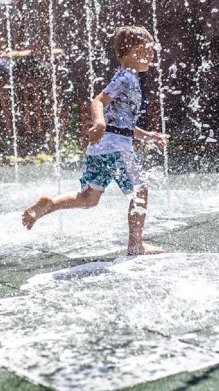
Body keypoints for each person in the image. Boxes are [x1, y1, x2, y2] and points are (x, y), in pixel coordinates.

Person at [22, 26, 167, 255]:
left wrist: (146, 136)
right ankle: (136, 244)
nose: (152, 56)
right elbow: (98, 100)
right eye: (148, 50)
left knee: (88, 198)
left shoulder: (128, 79)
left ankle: (50, 205)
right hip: (116, 148)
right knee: (140, 191)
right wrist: (98, 123)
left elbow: (121, 124)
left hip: (100, 148)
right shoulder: (125, 77)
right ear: (134, 50)